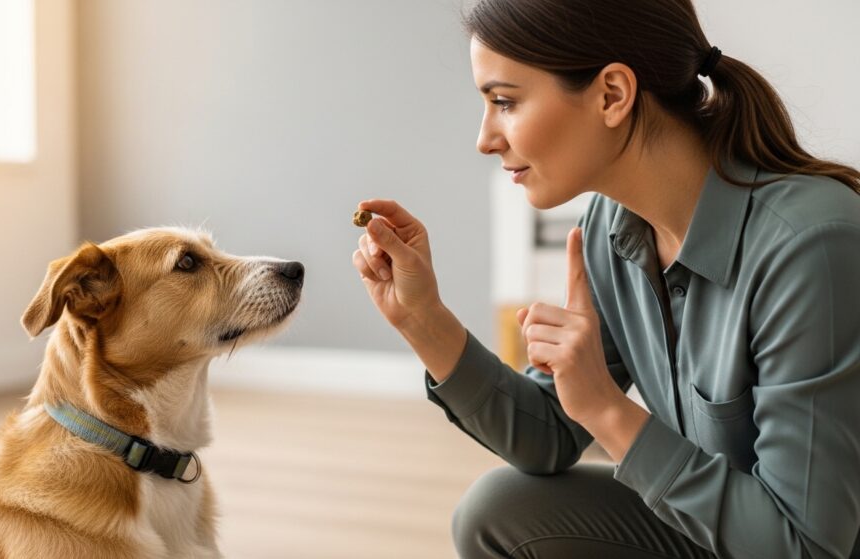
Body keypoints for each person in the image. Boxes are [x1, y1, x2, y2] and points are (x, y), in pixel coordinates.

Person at [350, 0, 860, 557]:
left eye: (505, 102)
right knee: (500, 511)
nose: (486, 138)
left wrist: (608, 409)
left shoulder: (810, 246)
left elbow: (806, 545)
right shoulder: (610, 229)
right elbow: (547, 436)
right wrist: (424, 320)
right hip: (727, 531)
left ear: (612, 94)